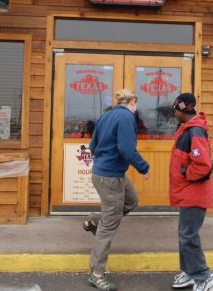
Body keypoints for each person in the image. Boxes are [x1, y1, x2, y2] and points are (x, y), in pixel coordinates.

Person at [83, 88, 150, 291]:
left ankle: (94, 220)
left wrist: (103, 162)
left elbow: (91, 145)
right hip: (110, 176)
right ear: (133, 102)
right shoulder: (127, 117)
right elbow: (126, 149)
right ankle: (96, 274)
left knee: (131, 201)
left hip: (108, 173)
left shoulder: (106, 116)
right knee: (108, 226)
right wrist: (143, 168)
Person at [169, 93, 213, 291]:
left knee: (188, 236)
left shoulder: (195, 131)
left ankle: (203, 275)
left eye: (176, 109)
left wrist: (184, 174)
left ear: (183, 110)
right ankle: (189, 272)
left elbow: (203, 166)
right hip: (188, 192)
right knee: (185, 234)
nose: (174, 113)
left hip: (194, 192)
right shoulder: (187, 129)